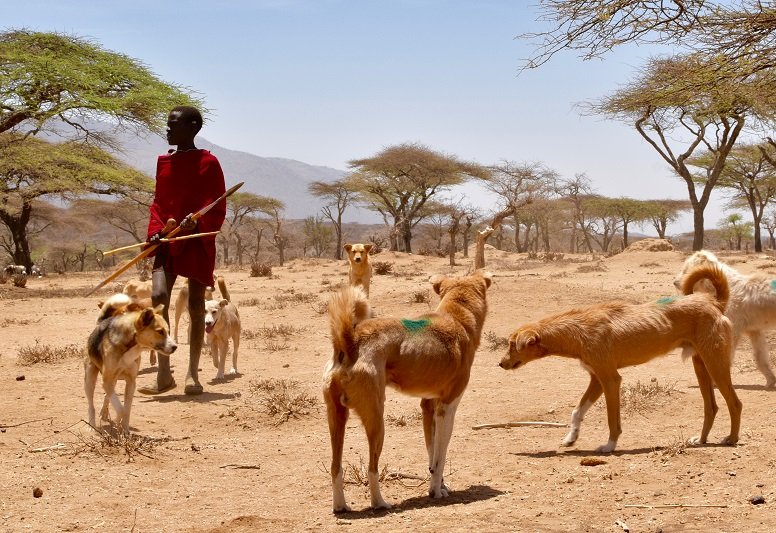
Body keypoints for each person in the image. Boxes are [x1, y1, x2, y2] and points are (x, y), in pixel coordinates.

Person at [139, 106, 226, 395]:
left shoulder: (208, 162)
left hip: (197, 239)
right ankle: (164, 375)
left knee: (196, 303)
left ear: (192, 127)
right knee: (159, 296)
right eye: (167, 124)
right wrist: (156, 230)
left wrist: (197, 219)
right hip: (168, 238)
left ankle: (192, 374)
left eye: (172, 124)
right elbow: (158, 203)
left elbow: (216, 204)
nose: (167, 129)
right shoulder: (164, 162)